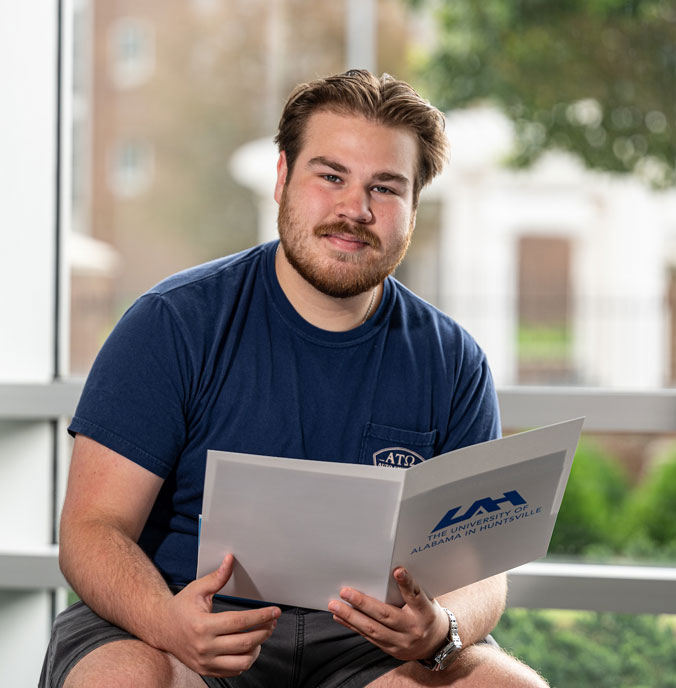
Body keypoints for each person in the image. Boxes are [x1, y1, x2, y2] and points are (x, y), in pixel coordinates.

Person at [40, 70, 548, 688]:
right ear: (283, 178)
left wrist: (442, 628)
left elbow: (479, 567)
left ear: (413, 209)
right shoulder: (172, 323)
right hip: (177, 615)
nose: (354, 209)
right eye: (330, 175)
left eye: (385, 188)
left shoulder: (452, 359)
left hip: (367, 646)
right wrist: (170, 623)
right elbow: (92, 529)